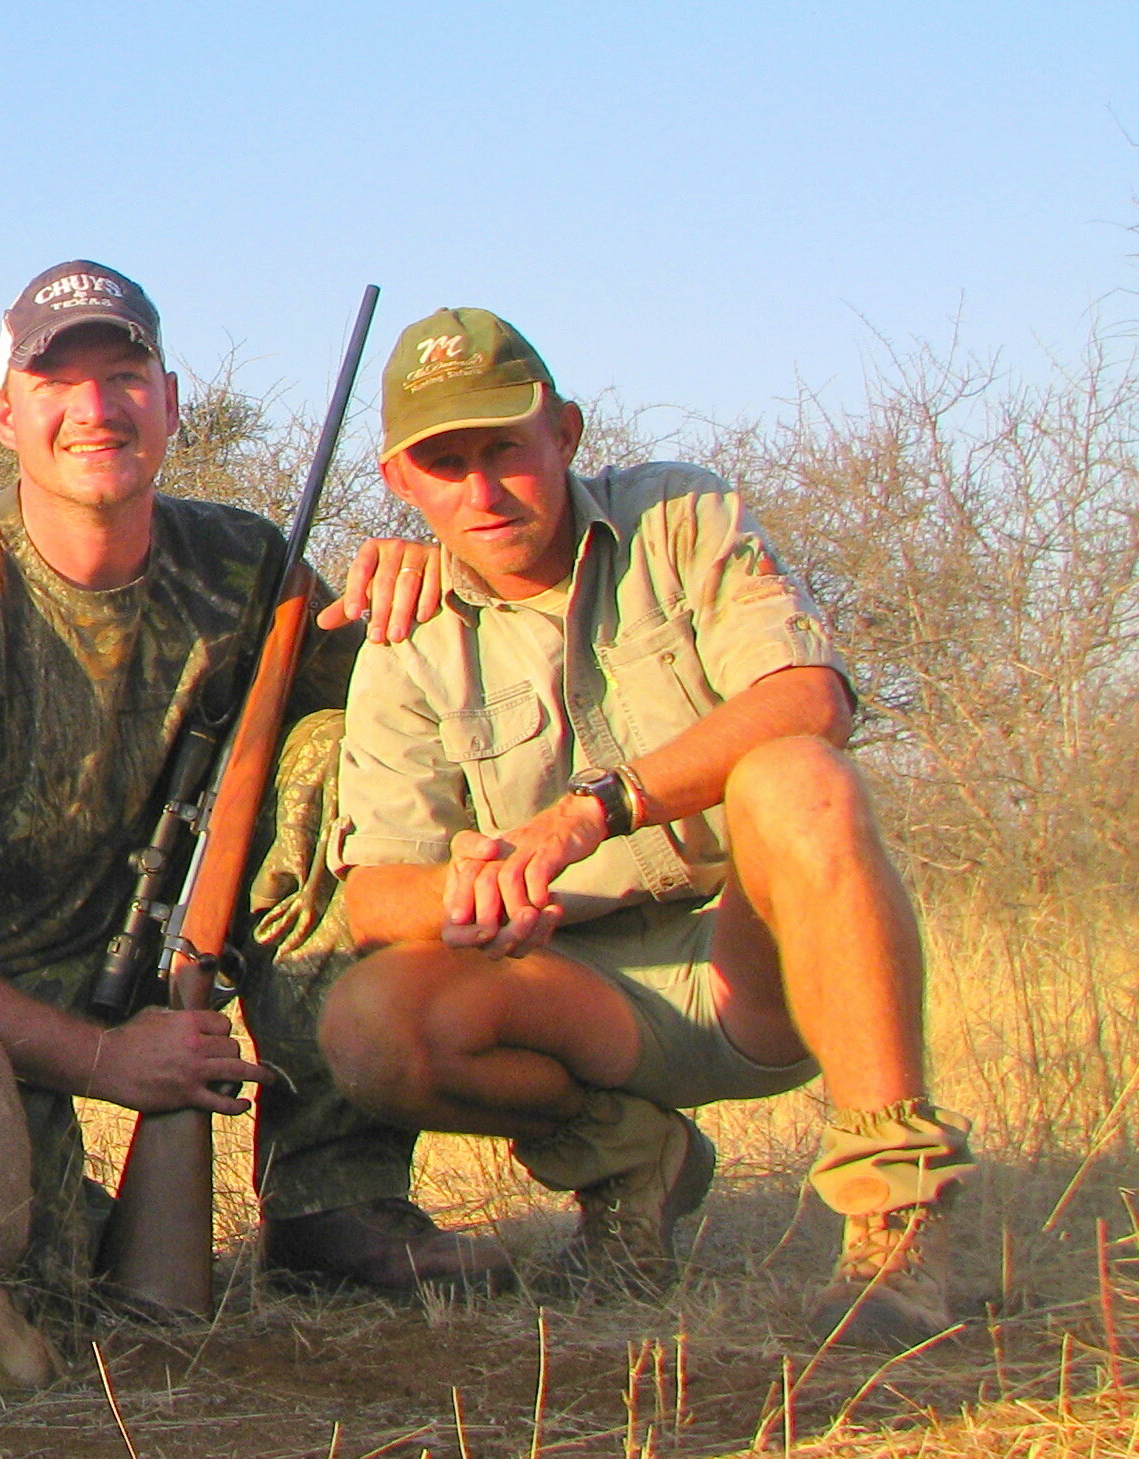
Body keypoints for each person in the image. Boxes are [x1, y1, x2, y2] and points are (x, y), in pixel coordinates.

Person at [0, 260, 503, 1301]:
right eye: (56, 382)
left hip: (172, 938)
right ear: (3, 414)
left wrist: (427, 574)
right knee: (17, 1283)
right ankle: (74, 1228)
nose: (95, 408)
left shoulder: (249, 564)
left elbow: (394, 733)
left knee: (324, 764)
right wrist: (103, 1062)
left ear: (170, 403)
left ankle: (332, 1203)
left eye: (125, 374)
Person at [321, 308, 972, 1346]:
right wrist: (470, 889)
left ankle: (897, 1210)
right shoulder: (406, 637)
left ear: (566, 433)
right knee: (368, 1019)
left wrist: (595, 810)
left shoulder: (680, 515)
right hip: (580, 996)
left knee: (796, 778)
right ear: (402, 481)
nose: (483, 493)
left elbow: (812, 700)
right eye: (446, 464)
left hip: (756, 967)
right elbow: (368, 894)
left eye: (506, 451)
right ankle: (631, 1162)